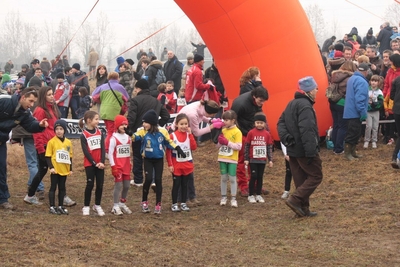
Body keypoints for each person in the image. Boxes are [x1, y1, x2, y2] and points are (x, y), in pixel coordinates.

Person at [277, 76, 322, 217]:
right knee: (316, 175)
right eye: (315, 88)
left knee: (300, 179)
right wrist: (310, 152)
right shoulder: (305, 106)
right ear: (309, 90)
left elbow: (280, 123)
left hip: (293, 149)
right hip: (304, 149)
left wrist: (287, 139)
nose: (317, 91)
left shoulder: (291, 104)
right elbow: (307, 129)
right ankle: (295, 200)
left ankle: (303, 209)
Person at [24, 87, 76, 206]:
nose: (52, 96)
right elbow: (37, 131)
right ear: (43, 96)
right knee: (51, 170)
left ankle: (30, 195)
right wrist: (41, 149)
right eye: (49, 95)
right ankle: (61, 197)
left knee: (47, 170)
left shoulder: (53, 108)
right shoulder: (40, 110)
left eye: (52, 94)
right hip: (45, 146)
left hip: (55, 145)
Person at [0, 88, 48, 209]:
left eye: (34, 102)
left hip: (1, 143)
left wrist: (40, 125)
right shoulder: (4, 101)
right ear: (23, 97)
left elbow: (31, 125)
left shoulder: (24, 113)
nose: (31, 105)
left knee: (1, 170)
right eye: (30, 101)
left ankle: (3, 199)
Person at [132, 110, 186, 215]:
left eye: (145, 122)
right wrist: (129, 132)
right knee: (148, 179)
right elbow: (135, 137)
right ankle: (144, 201)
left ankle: (158, 204)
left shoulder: (163, 131)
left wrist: (178, 148)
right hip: (147, 158)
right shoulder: (143, 131)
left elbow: (168, 142)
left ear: (151, 123)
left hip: (158, 159)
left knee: (158, 180)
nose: (143, 124)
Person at [172, 100, 223, 205]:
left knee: (189, 169)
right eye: (212, 115)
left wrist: (210, 120)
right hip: (179, 138)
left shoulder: (200, 106)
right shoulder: (192, 114)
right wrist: (212, 127)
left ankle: (191, 196)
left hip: (187, 136)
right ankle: (182, 198)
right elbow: (197, 132)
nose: (212, 116)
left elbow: (202, 116)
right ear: (208, 111)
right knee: (181, 171)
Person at [127, 79, 170, 186]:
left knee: (137, 156)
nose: (135, 91)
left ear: (138, 88)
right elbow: (166, 116)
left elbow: (131, 118)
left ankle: (138, 180)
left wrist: (129, 130)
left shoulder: (135, 100)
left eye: (136, 88)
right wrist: (157, 125)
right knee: (153, 156)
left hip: (139, 132)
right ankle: (154, 180)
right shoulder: (156, 101)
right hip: (153, 133)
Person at [231, 86, 269, 197]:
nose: (262, 103)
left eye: (263, 101)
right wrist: (236, 135)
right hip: (242, 134)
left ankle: (256, 184)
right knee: (242, 161)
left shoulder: (258, 103)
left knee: (256, 159)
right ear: (254, 96)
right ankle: (243, 186)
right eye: (260, 101)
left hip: (254, 133)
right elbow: (232, 119)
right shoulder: (240, 103)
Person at [166, 113, 197, 212]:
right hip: (177, 165)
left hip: (187, 164)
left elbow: (193, 147)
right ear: (176, 125)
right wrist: (170, 164)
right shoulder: (172, 136)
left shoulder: (189, 135)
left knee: (185, 184)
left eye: (186, 124)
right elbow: (168, 152)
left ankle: (183, 202)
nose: (184, 126)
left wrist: (191, 134)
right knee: (176, 184)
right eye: (181, 124)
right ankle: (174, 203)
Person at [92, 72, 129, 151]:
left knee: (110, 131)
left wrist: (102, 101)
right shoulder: (120, 87)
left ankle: (110, 148)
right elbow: (126, 98)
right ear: (117, 78)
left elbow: (94, 96)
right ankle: (107, 149)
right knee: (111, 132)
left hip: (104, 111)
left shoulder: (102, 87)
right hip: (114, 112)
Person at [79, 111, 106, 216]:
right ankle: (86, 206)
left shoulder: (100, 132)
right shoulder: (84, 135)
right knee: (90, 184)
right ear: (89, 121)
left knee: (100, 184)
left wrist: (102, 162)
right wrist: (95, 163)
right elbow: (86, 152)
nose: (98, 121)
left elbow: (103, 148)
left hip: (100, 164)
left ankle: (97, 205)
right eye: (96, 119)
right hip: (90, 164)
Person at [328, 61, 357, 154]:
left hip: (333, 102)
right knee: (343, 127)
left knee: (336, 124)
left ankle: (335, 146)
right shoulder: (350, 78)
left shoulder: (335, 75)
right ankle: (339, 148)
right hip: (342, 103)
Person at [244, 112, 273, 204]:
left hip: (262, 160)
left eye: (261, 123)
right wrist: (246, 159)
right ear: (254, 123)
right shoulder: (251, 133)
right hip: (253, 159)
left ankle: (258, 194)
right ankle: (251, 195)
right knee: (253, 176)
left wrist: (270, 159)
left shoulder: (267, 134)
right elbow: (247, 146)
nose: (259, 124)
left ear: (264, 123)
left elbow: (269, 147)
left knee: (260, 176)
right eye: (257, 122)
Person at [45, 119, 73, 215]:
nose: (59, 131)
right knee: (53, 187)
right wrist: (51, 167)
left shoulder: (68, 142)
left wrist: (70, 169)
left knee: (62, 188)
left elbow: (70, 156)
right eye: (57, 129)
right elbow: (48, 156)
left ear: (64, 130)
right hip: (55, 170)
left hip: (64, 169)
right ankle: (52, 206)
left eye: (61, 129)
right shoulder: (51, 142)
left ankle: (61, 205)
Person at [343, 63, 370, 161]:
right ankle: (348, 154)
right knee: (353, 133)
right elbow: (359, 99)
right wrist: (363, 112)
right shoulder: (362, 81)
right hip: (355, 112)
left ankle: (352, 152)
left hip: (349, 111)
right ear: (366, 72)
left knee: (353, 132)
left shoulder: (352, 78)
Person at [217, 110, 242, 208]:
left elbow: (239, 146)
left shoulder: (237, 132)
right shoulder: (223, 130)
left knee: (232, 178)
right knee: (223, 178)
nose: (224, 122)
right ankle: (223, 197)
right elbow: (218, 146)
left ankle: (233, 198)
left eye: (227, 120)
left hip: (232, 159)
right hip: (222, 157)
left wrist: (227, 142)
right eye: (224, 120)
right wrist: (218, 141)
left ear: (233, 120)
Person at [108, 115, 133, 216]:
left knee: (127, 185)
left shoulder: (128, 137)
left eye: (125, 124)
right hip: (118, 166)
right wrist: (113, 166)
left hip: (126, 166)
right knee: (118, 185)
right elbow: (110, 153)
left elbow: (129, 151)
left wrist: (130, 162)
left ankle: (122, 203)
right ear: (117, 125)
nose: (124, 126)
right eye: (122, 124)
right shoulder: (113, 138)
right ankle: (115, 205)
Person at [363, 75, 384, 149]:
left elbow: (381, 103)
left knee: (375, 126)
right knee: (369, 126)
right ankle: (366, 140)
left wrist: (374, 103)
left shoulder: (379, 92)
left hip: (376, 111)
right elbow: (363, 99)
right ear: (370, 81)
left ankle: (374, 140)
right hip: (368, 111)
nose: (373, 83)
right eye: (372, 81)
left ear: (378, 83)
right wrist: (368, 102)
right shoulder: (366, 90)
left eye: (375, 81)